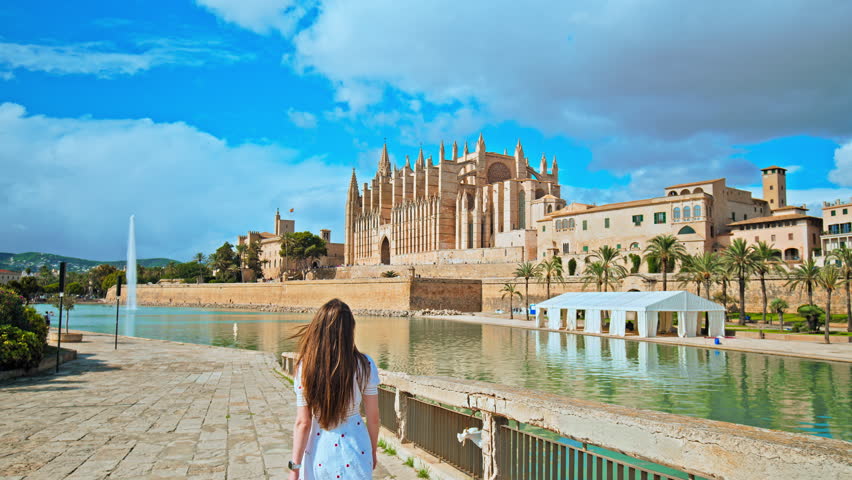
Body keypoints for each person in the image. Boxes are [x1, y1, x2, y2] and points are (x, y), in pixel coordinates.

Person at [289, 299, 380, 480]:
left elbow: (303, 423)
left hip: (320, 449)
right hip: (357, 447)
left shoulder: (305, 367)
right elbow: (374, 418)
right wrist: (372, 450)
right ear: (350, 331)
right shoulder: (366, 364)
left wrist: (294, 467)